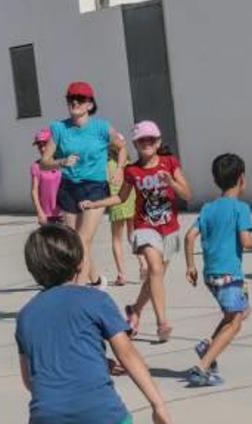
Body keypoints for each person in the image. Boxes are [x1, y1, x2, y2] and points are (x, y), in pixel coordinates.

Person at [16, 224, 172, 424]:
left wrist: (90, 365)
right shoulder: (95, 300)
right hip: (98, 407)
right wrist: (157, 404)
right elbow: (128, 354)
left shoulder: (26, 315)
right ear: (79, 261)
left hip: (51, 414)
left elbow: (31, 380)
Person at [82, 121, 191, 342]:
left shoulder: (169, 162)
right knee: (155, 268)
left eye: (151, 139)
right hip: (145, 226)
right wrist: (95, 204)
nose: (147, 143)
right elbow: (121, 197)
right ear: (135, 144)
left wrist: (170, 181)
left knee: (155, 276)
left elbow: (187, 194)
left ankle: (135, 310)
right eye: (142, 140)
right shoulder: (131, 170)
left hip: (169, 228)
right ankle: (162, 323)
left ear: (158, 141)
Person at [183, 154, 252, 386]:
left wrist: (190, 266)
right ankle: (202, 367)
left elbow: (189, 235)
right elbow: (246, 241)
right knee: (235, 322)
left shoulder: (208, 208)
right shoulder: (240, 208)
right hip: (229, 275)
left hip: (211, 275)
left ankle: (209, 346)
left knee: (241, 311)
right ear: (242, 179)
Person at [39, 81, 128, 287]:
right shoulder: (59, 129)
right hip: (69, 186)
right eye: (71, 99)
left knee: (82, 241)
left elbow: (122, 147)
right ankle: (96, 281)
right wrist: (61, 161)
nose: (75, 102)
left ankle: (79, 288)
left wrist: (120, 169)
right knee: (74, 242)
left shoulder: (102, 127)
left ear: (90, 104)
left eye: (80, 99)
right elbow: (44, 162)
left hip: (94, 187)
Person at [106, 132, 136, 286]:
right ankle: (143, 263)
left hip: (116, 201)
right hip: (131, 199)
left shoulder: (107, 163)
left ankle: (121, 274)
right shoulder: (129, 162)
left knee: (117, 239)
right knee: (133, 234)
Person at [30, 128, 63, 225]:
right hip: (46, 215)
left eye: (45, 144)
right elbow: (34, 191)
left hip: (64, 213)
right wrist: (39, 212)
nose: (42, 149)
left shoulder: (62, 163)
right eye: (39, 146)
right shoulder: (36, 167)